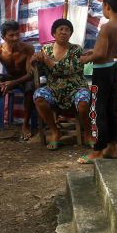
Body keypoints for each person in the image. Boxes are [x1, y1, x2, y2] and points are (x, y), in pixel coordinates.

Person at [78, 0, 117, 164]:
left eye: (103, 6)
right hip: (112, 69)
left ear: (107, 5)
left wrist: (84, 59)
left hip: (102, 73)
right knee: (111, 110)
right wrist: (97, 51)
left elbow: (98, 55)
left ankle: (97, 150)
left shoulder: (106, 27)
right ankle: (112, 147)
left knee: (97, 111)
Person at [31, 19, 93, 150]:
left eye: (67, 30)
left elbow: (65, 69)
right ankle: (55, 131)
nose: (64, 32)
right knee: (39, 96)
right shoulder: (46, 49)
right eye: (61, 29)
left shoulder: (76, 49)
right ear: (54, 33)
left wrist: (46, 59)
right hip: (54, 90)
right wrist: (33, 60)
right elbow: (34, 70)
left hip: (76, 88)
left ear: (70, 34)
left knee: (83, 101)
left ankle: (88, 133)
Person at [0, 20, 35, 139]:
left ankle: (25, 124)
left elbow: (30, 74)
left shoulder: (28, 48)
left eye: (17, 34)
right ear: (3, 37)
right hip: (9, 78)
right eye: (11, 35)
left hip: (24, 78)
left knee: (30, 89)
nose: (15, 38)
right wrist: (2, 85)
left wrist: (13, 83)